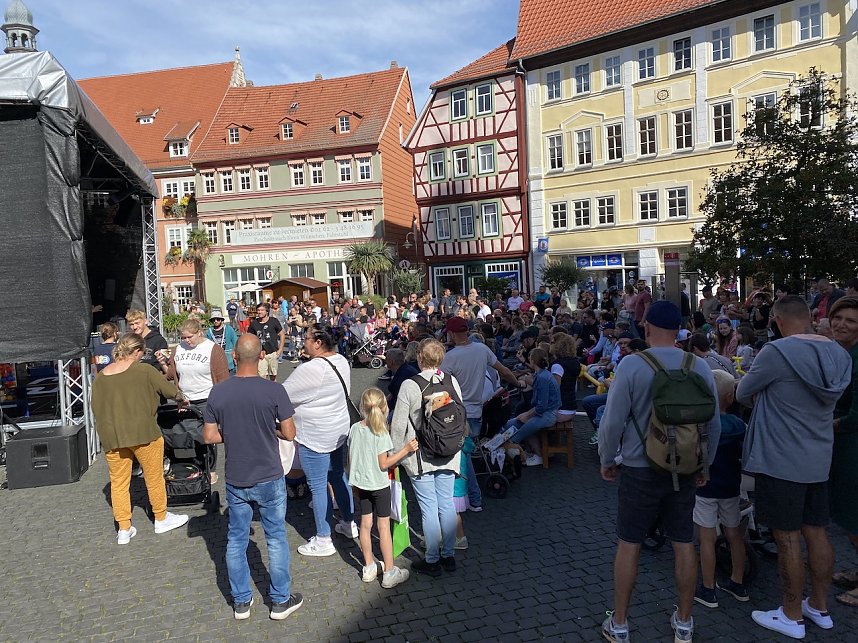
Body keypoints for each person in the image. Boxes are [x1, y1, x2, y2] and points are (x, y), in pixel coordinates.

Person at [599, 300, 720, 643]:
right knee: (684, 543)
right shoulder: (698, 365)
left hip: (640, 467)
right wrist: (704, 464)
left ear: (647, 328)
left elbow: (612, 422)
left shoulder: (632, 365)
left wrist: (608, 459)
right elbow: (712, 424)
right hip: (686, 467)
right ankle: (684, 622)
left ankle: (620, 624)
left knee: (629, 543)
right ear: (680, 330)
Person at [737, 295, 851, 639]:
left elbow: (743, 391)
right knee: (817, 532)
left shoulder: (777, 351)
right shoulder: (839, 353)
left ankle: (790, 614)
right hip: (818, 457)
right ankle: (819, 606)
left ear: (777, 318)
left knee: (786, 538)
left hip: (780, 458)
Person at [202, 334, 303, 621]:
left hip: (236, 476)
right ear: (261, 357)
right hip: (269, 474)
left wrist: (234, 432)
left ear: (234, 357)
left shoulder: (218, 392)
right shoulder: (274, 391)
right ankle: (280, 601)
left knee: (235, 539)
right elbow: (290, 433)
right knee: (275, 539)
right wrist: (267, 429)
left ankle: (241, 602)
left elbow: (208, 435)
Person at [90, 333, 189, 545]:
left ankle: (124, 529)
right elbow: (171, 391)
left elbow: (95, 408)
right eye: (142, 353)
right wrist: (183, 401)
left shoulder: (101, 377)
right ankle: (161, 518)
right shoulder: (144, 370)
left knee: (118, 483)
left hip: (113, 437)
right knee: (153, 477)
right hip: (144, 433)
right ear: (136, 352)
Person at [390, 338, 464, 576]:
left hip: (420, 454)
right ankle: (449, 555)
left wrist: (394, 456)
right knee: (446, 504)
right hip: (449, 451)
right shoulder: (451, 380)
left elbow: (398, 425)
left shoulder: (411, 385)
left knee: (429, 508)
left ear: (419, 357)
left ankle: (432, 559)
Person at [284, 325, 357, 556]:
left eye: (306, 338)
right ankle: (348, 522)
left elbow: (282, 395)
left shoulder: (311, 369)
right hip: (337, 430)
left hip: (315, 435)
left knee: (317, 486)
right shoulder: (342, 360)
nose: (303, 342)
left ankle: (324, 539)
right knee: (338, 477)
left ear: (317, 342)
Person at [442, 316, 520, 511]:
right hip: (477, 412)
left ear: (451, 334)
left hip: (458, 413)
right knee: (464, 452)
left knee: (463, 455)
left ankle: (472, 498)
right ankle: (468, 497)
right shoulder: (482, 349)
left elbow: (439, 386)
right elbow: (504, 371)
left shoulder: (450, 357)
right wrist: (518, 384)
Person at [348, 387, 417, 589]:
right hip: (379, 485)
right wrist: (405, 449)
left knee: (365, 524)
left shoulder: (354, 428)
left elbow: (351, 457)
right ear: (384, 407)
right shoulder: (381, 433)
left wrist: (353, 482)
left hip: (361, 483)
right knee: (383, 527)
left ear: (362, 406)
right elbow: (384, 464)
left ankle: (369, 566)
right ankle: (389, 571)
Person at [694, 370, 748, 609]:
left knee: (707, 538)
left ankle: (707, 588)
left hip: (705, 487)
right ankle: (737, 582)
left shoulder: (701, 424)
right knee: (735, 534)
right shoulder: (738, 424)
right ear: (730, 397)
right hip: (731, 486)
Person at [825, 296, 858, 607]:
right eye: (838, 318)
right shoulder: (842, 354)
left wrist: (826, 423)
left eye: (850, 321)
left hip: (852, 447)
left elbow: (856, 416)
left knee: (854, 515)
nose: (842, 324)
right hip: (844, 444)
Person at [503, 348, 561, 466]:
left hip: (547, 414)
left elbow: (542, 406)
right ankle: (534, 454)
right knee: (509, 424)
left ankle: (523, 456)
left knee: (516, 435)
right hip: (543, 412)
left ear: (533, 360)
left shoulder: (542, 378)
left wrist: (527, 414)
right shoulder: (542, 375)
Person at [249, 303, 285, 381]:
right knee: (262, 376)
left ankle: (273, 390)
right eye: (258, 310)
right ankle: (264, 391)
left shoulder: (273, 321)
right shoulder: (254, 323)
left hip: (273, 352)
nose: (259, 312)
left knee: (273, 375)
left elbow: (282, 334)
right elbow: (250, 338)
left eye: (262, 310)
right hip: (260, 354)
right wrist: (255, 351)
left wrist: (280, 350)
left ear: (267, 311)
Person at [207, 309, 239, 374]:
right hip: (216, 362)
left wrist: (236, 354)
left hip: (229, 361)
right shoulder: (209, 332)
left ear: (221, 320)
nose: (215, 321)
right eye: (213, 320)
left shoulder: (228, 329)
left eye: (218, 319)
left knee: (231, 381)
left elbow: (236, 342)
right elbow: (207, 346)